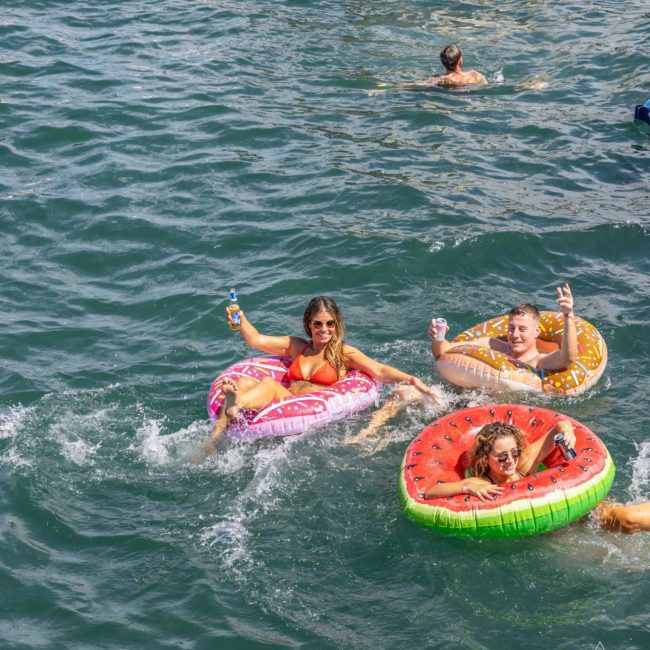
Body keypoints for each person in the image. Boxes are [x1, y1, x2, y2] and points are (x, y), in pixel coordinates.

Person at [203, 296, 438, 453]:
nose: (324, 330)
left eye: (330, 324)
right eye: (318, 324)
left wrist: (412, 379)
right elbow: (256, 340)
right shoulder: (297, 346)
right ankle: (214, 439)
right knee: (243, 380)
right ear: (309, 324)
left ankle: (237, 404)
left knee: (267, 383)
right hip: (282, 399)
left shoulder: (343, 353)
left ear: (336, 325)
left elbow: (379, 370)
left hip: (305, 407)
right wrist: (241, 319)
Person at [430, 283, 578, 371]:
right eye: (511, 328)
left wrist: (568, 316)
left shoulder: (538, 361)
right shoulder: (491, 345)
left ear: (536, 332)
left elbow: (567, 358)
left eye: (522, 329)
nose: (514, 335)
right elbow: (443, 352)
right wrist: (439, 337)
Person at [423, 420, 576, 501]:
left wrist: (567, 432)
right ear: (486, 458)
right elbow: (430, 493)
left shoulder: (524, 465)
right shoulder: (483, 483)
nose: (510, 460)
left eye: (514, 452)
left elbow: (559, 426)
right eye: (502, 456)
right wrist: (468, 487)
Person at [400, 44, 487, 89]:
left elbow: (415, 84)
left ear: (443, 62)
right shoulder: (474, 75)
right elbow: (486, 85)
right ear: (460, 61)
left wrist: (392, 86)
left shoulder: (439, 79)